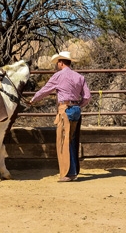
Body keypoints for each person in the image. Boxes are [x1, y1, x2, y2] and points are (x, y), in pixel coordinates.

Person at [29, 51, 91, 182]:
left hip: (65, 109)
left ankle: (68, 173)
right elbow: (87, 97)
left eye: (58, 62)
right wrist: (79, 105)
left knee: (63, 141)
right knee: (72, 139)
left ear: (61, 62)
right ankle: (72, 171)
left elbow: (45, 90)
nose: (57, 64)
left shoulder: (58, 76)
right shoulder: (79, 77)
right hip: (76, 109)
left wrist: (33, 99)